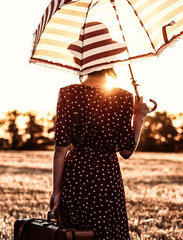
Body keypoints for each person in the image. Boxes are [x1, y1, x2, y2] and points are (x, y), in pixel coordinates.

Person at [50, 68, 149, 240]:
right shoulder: (124, 97)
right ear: (111, 63)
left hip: (75, 176)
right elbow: (126, 151)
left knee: (75, 233)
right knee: (106, 232)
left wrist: (56, 192)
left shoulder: (67, 93)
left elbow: (60, 149)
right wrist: (139, 117)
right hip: (107, 177)